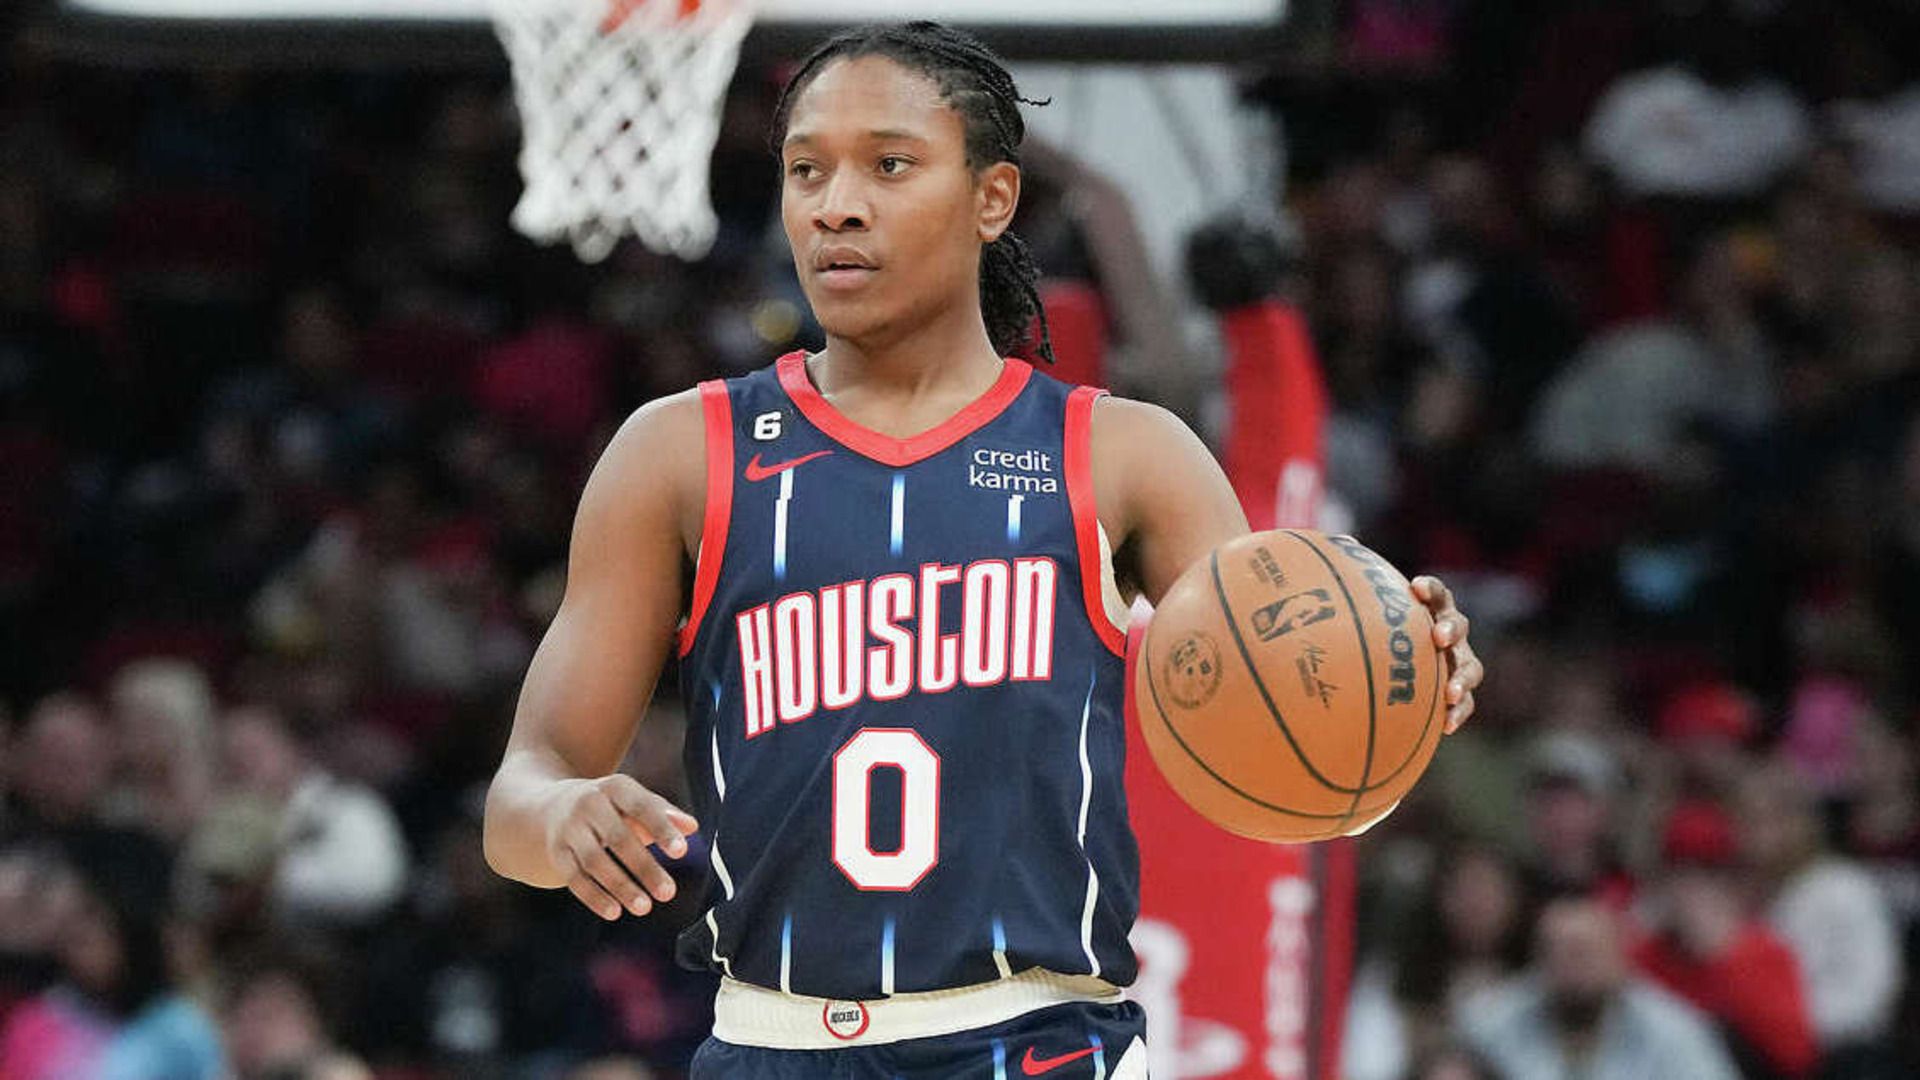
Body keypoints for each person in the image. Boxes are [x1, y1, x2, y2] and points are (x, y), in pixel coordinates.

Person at [482, 20, 1484, 1078]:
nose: (836, 205)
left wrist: (1398, 676)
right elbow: (518, 797)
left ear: (992, 198)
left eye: (889, 165)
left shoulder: (1124, 454)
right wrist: (561, 814)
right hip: (771, 1042)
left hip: (1036, 1041)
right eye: (807, 170)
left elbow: (1283, 712)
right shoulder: (680, 452)